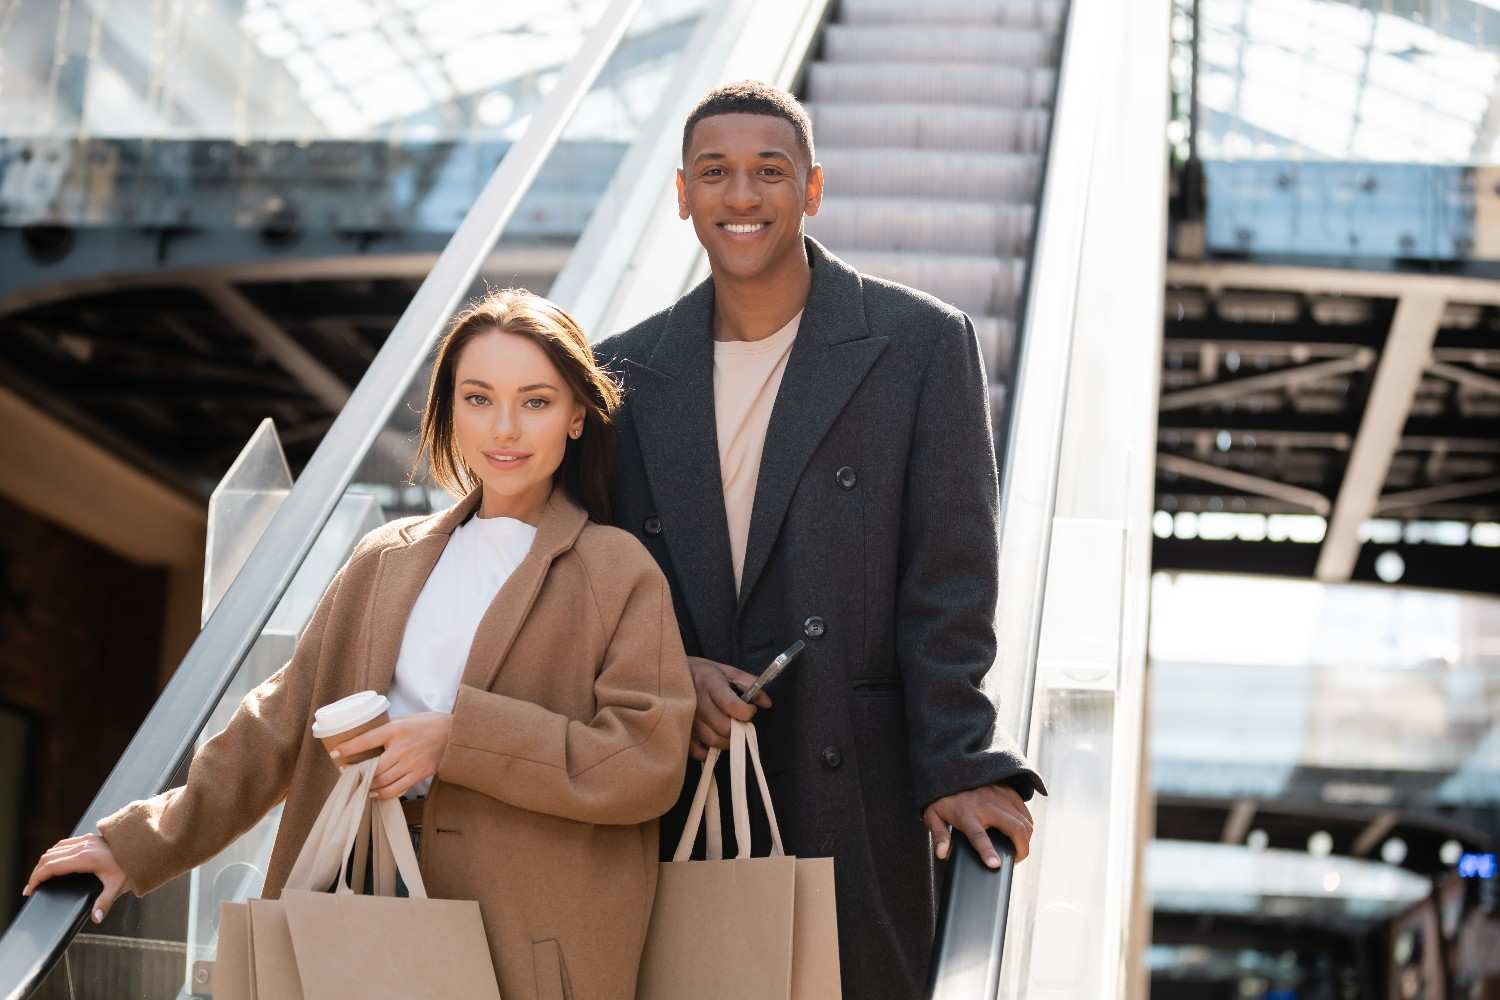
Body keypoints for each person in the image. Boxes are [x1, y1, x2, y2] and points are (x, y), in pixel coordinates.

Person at [25, 289, 696, 1000]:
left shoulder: (616, 570)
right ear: (448, 412)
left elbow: (645, 762)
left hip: (526, 948)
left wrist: (458, 740)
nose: (505, 428)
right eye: (478, 398)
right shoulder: (385, 560)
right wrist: (138, 842)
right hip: (359, 916)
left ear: (577, 416)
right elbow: (279, 721)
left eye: (535, 402)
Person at [595, 82, 1046, 999]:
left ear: (814, 189)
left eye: (771, 171)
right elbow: (591, 576)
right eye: (715, 173)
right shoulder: (624, 372)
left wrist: (958, 757)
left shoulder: (919, 343)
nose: (743, 196)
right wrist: (668, 671)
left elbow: (951, 575)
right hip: (680, 773)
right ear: (682, 194)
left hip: (854, 770)